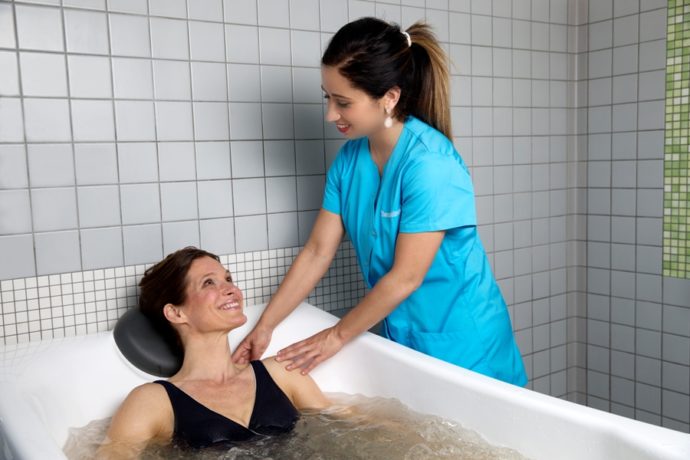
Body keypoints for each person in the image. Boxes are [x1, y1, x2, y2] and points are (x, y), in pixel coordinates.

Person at [233, 17, 528, 387]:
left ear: (389, 97)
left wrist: (334, 338)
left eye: (343, 102)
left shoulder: (430, 165)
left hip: (465, 345)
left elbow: (406, 277)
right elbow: (317, 252)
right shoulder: (348, 161)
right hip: (404, 338)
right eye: (327, 97)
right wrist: (265, 326)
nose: (330, 115)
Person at [98, 247, 329, 458]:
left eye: (228, 279)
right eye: (209, 283)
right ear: (176, 313)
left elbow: (342, 424)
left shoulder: (281, 373)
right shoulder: (153, 401)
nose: (231, 289)